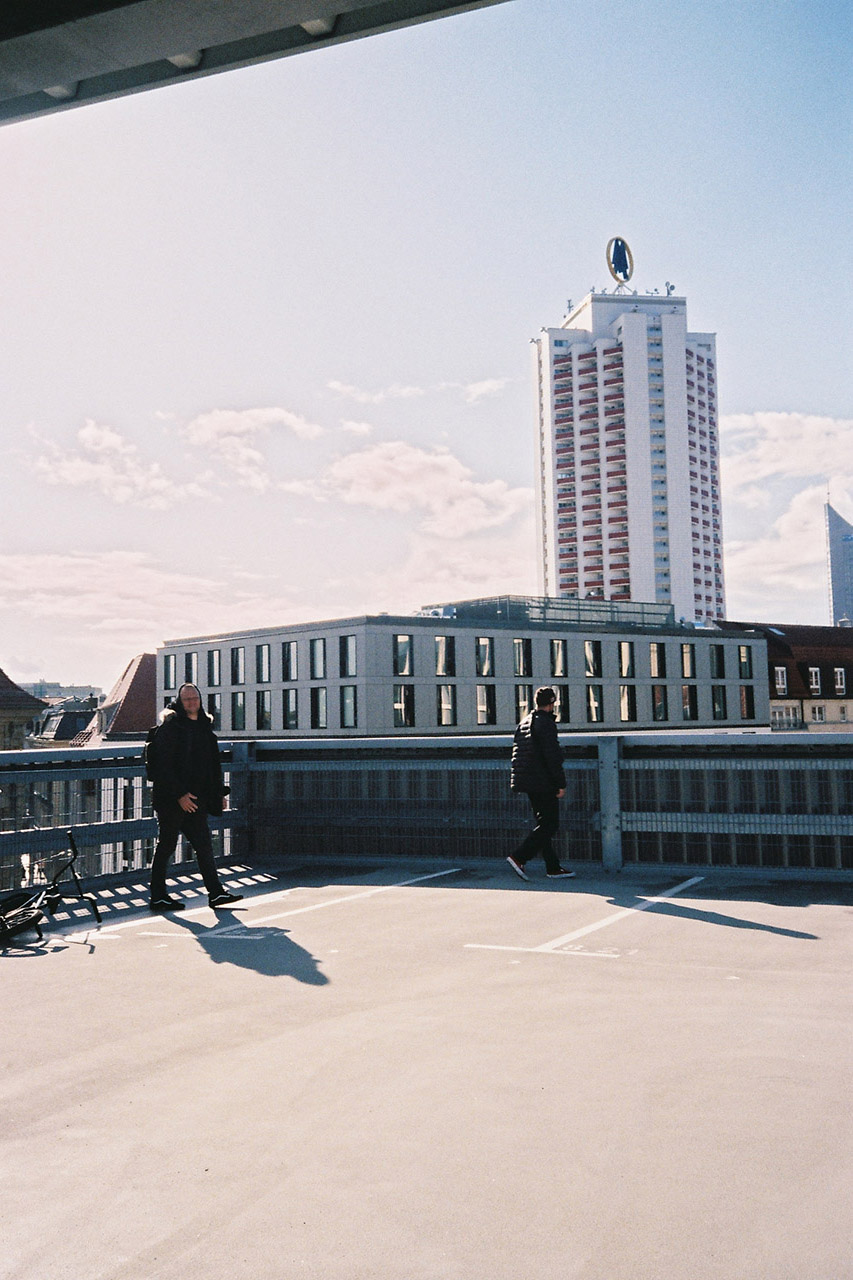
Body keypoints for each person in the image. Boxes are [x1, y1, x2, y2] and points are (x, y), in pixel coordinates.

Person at [148, 683, 244, 912]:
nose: (192, 702)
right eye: (187, 699)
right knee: (167, 845)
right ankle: (158, 897)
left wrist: (219, 793)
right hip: (172, 800)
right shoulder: (170, 728)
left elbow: (212, 765)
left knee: (203, 845)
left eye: (195, 698)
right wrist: (180, 795)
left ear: (200, 700)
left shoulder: (204, 727)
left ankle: (216, 894)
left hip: (196, 799)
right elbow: (162, 767)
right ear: (180, 702)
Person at [507, 686, 575, 881]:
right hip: (542, 781)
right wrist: (560, 784)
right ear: (552, 703)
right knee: (550, 824)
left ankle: (552, 867)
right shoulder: (545, 724)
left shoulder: (526, 721)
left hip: (529, 780)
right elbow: (552, 757)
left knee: (543, 824)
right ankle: (519, 857)